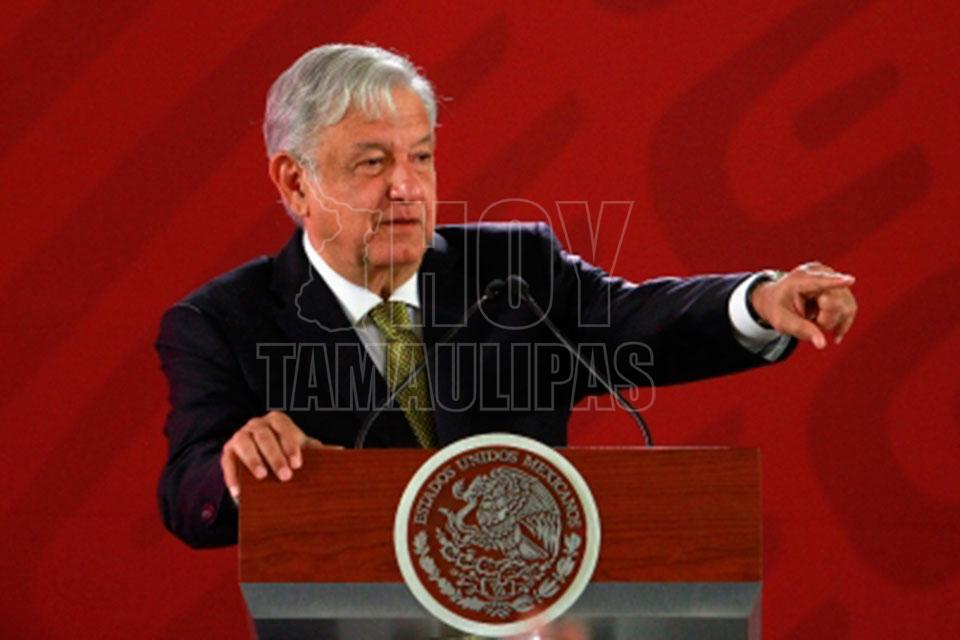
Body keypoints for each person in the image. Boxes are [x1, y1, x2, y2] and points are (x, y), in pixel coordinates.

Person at [156, 44, 857, 549]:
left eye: (421, 156)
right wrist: (237, 471)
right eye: (373, 162)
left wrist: (759, 301)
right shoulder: (222, 322)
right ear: (295, 181)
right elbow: (188, 491)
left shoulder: (514, 273)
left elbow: (636, 322)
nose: (407, 187)